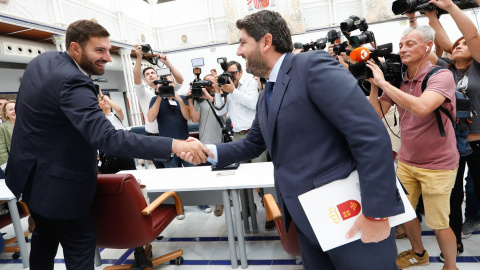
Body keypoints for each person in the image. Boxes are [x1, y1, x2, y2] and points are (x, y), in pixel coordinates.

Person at [184, 10, 404, 269]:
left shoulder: (312, 66)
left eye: (243, 43)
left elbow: (369, 134)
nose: (238, 52)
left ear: (266, 42)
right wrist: (208, 151)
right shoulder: (269, 91)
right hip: (306, 219)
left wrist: (376, 213)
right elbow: (254, 143)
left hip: (349, 214)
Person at [5, 19, 211, 270]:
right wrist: (175, 146)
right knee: (79, 249)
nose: (107, 58)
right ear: (75, 48)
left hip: (30, 179)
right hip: (62, 187)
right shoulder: (74, 81)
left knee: (44, 239)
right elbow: (109, 138)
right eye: (99, 51)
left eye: (108, 49)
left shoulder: (41, 63)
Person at [366, 25, 458, 270]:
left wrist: (385, 84)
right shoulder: (400, 79)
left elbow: (422, 107)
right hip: (407, 162)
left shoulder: (441, 76)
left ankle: (451, 265)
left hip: (438, 165)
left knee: (439, 223)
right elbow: (376, 114)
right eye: (401, 44)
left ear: (428, 46)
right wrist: (375, 84)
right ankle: (419, 253)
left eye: (410, 44)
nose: (402, 49)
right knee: (404, 213)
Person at [425, 0, 480, 259]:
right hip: (452, 147)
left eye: (463, 44)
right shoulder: (446, 70)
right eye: (455, 45)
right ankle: (455, 242)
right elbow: (440, 43)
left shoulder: (479, 67)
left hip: (478, 143)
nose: (458, 46)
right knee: (453, 196)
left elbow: (471, 35)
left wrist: (451, 7)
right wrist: (431, 17)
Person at [133, 44, 184, 168]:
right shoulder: (143, 93)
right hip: (153, 135)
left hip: (169, 134)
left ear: (157, 76)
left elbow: (180, 80)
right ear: (145, 79)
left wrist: (168, 63)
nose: (150, 75)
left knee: (173, 167)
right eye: (147, 74)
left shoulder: (167, 88)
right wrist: (139, 57)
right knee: (160, 168)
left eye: (152, 73)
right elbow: (136, 78)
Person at [187, 74, 226, 216]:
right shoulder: (198, 99)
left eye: (210, 81)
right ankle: (216, 200)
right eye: (206, 82)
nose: (208, 84)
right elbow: (195, 118)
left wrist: (209, 96)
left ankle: (221, 200)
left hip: (219, 141)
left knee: (220, 172)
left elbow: (222, 111)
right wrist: (191, 100)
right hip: (205, 142)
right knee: (207, 173)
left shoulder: (220, 96)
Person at [97, 92, 136, 173]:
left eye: (107, 100)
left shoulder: (116, 116)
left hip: (123, 152)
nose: (105, 101)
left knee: (130, 176)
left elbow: (118, 109)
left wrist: (103, 96)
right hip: (108, 154)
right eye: (102, 100)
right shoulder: (98, 119)